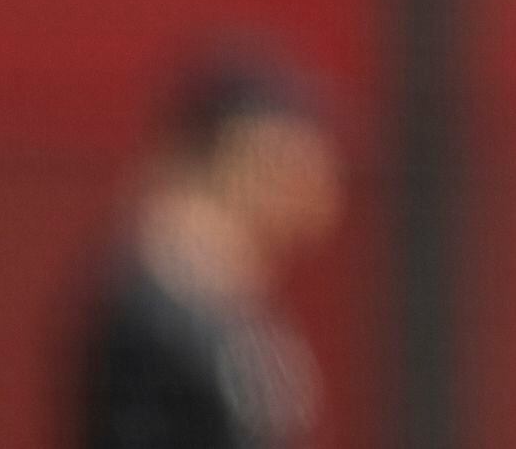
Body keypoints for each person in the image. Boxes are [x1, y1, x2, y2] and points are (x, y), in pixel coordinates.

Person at [70, 40, 340, 449]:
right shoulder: (154, 308)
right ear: (247, 155)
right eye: (297, 152)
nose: (320, 176)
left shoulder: (229, 296)